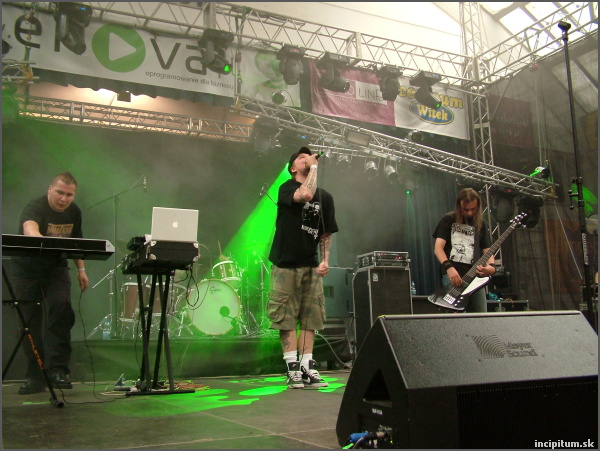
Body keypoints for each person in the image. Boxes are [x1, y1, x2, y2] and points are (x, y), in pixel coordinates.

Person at [10, 172, 89, 394]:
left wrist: (81, 270)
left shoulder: (74, 212)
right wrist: (41, 240)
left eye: (69, 195)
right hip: (26, 270)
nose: (64, 199)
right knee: (28, 323)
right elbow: (29, 228)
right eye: (60, 193)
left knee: (61, 309)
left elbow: (77, 242)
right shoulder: (35, 207)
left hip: (56, 267)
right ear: (50, 190)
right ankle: (35, 376)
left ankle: (58, 371)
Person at [267, 147, 338, 389]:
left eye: (308, 156)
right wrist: (314, 166)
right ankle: (292, 367)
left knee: (311, 317)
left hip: (310, 264)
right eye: (301, 158)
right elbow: (306, 194)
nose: (306, 159)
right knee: (286, 316)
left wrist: (325, 260)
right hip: (286, 262)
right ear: (292, 168)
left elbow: (326, 233)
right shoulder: (286, 188)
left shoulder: (325, 197)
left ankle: (307, 366)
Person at [432, 187, 496, 313]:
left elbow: (487, 250)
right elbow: (438, 248)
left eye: (473, 209)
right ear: (459, 206)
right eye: (466, 209)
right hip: (453, 276)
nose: (470, 213)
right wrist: (449, 268)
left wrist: (492, 267)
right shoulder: (448, 219)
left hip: (475, 278)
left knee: (480, 317)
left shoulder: (481, 224)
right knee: (455, 318)